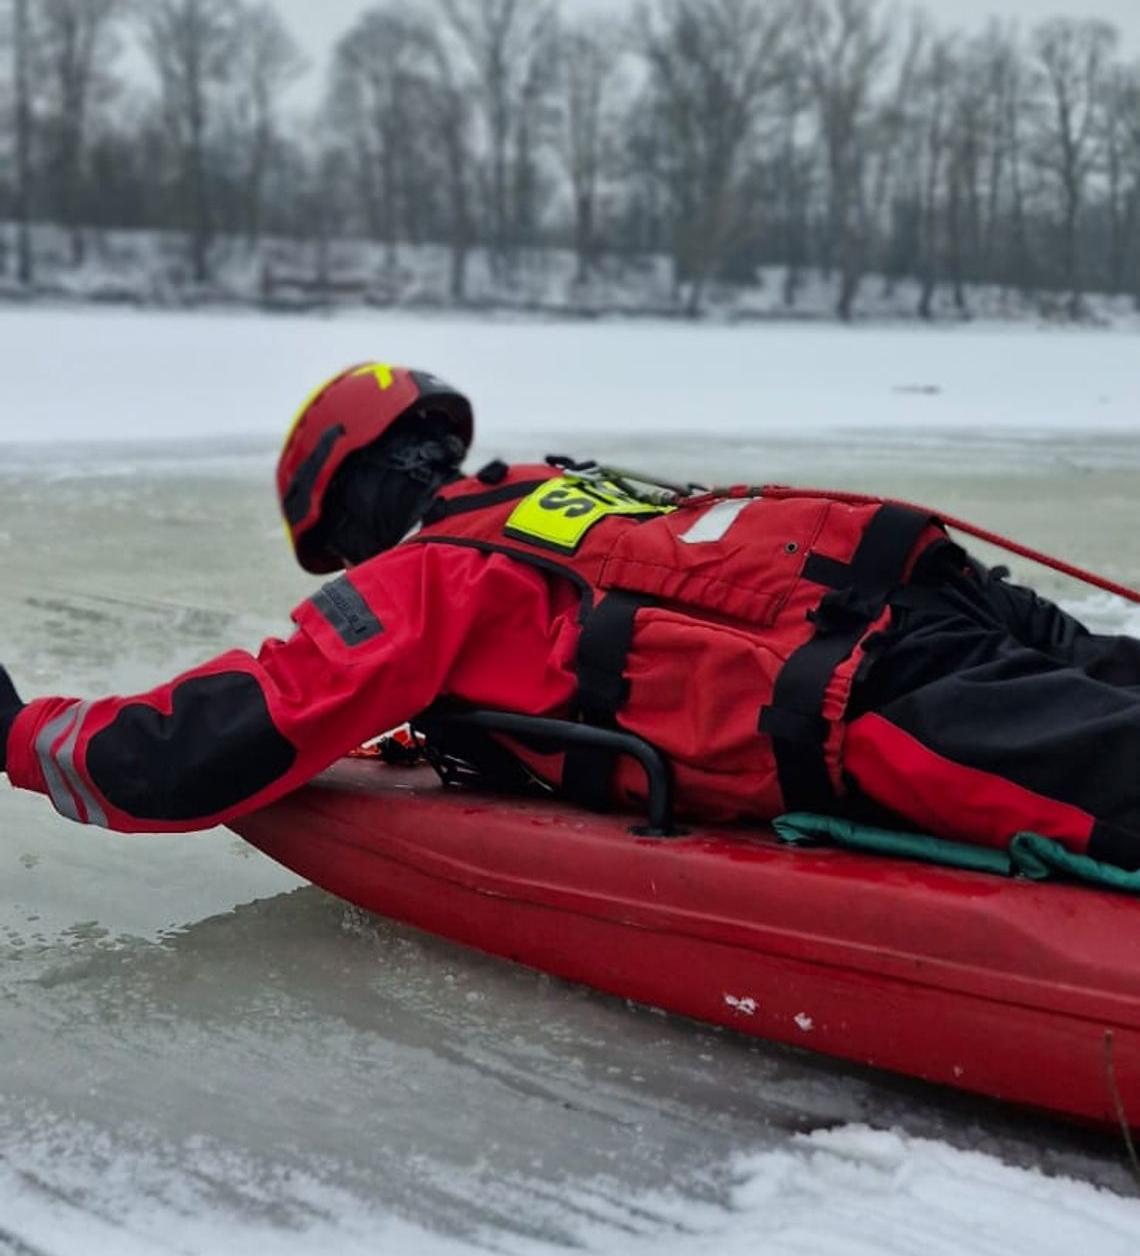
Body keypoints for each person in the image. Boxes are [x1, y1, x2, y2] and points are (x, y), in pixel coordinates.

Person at [5, 358, 1140, 875]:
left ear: (351, 506)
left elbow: (229, 729)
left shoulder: (425, 575)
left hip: (870, 689)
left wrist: (21, 732)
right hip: (926, 582)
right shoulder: (559, 487)